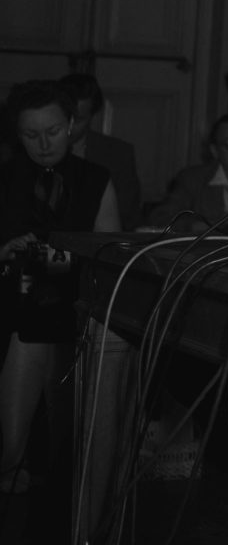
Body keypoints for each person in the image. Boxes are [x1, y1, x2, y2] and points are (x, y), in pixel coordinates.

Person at [0, 80, 122, 495]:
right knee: (27, 325)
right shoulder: (5, 176)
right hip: (11, 299)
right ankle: (14, 462)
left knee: (47, 320)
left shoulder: (96, 178)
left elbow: (108, 253)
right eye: (30, 135)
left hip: (74, 300)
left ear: (71, 124)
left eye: (52, 131)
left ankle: (42, 469)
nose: (43, 143)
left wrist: (51, 257)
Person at [60, 72, 144, 231]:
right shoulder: (30, 149)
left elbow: (128, 215)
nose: (68, 127)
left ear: (92, 116)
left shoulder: (117, 154)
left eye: (77, 120)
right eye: (63, 116)